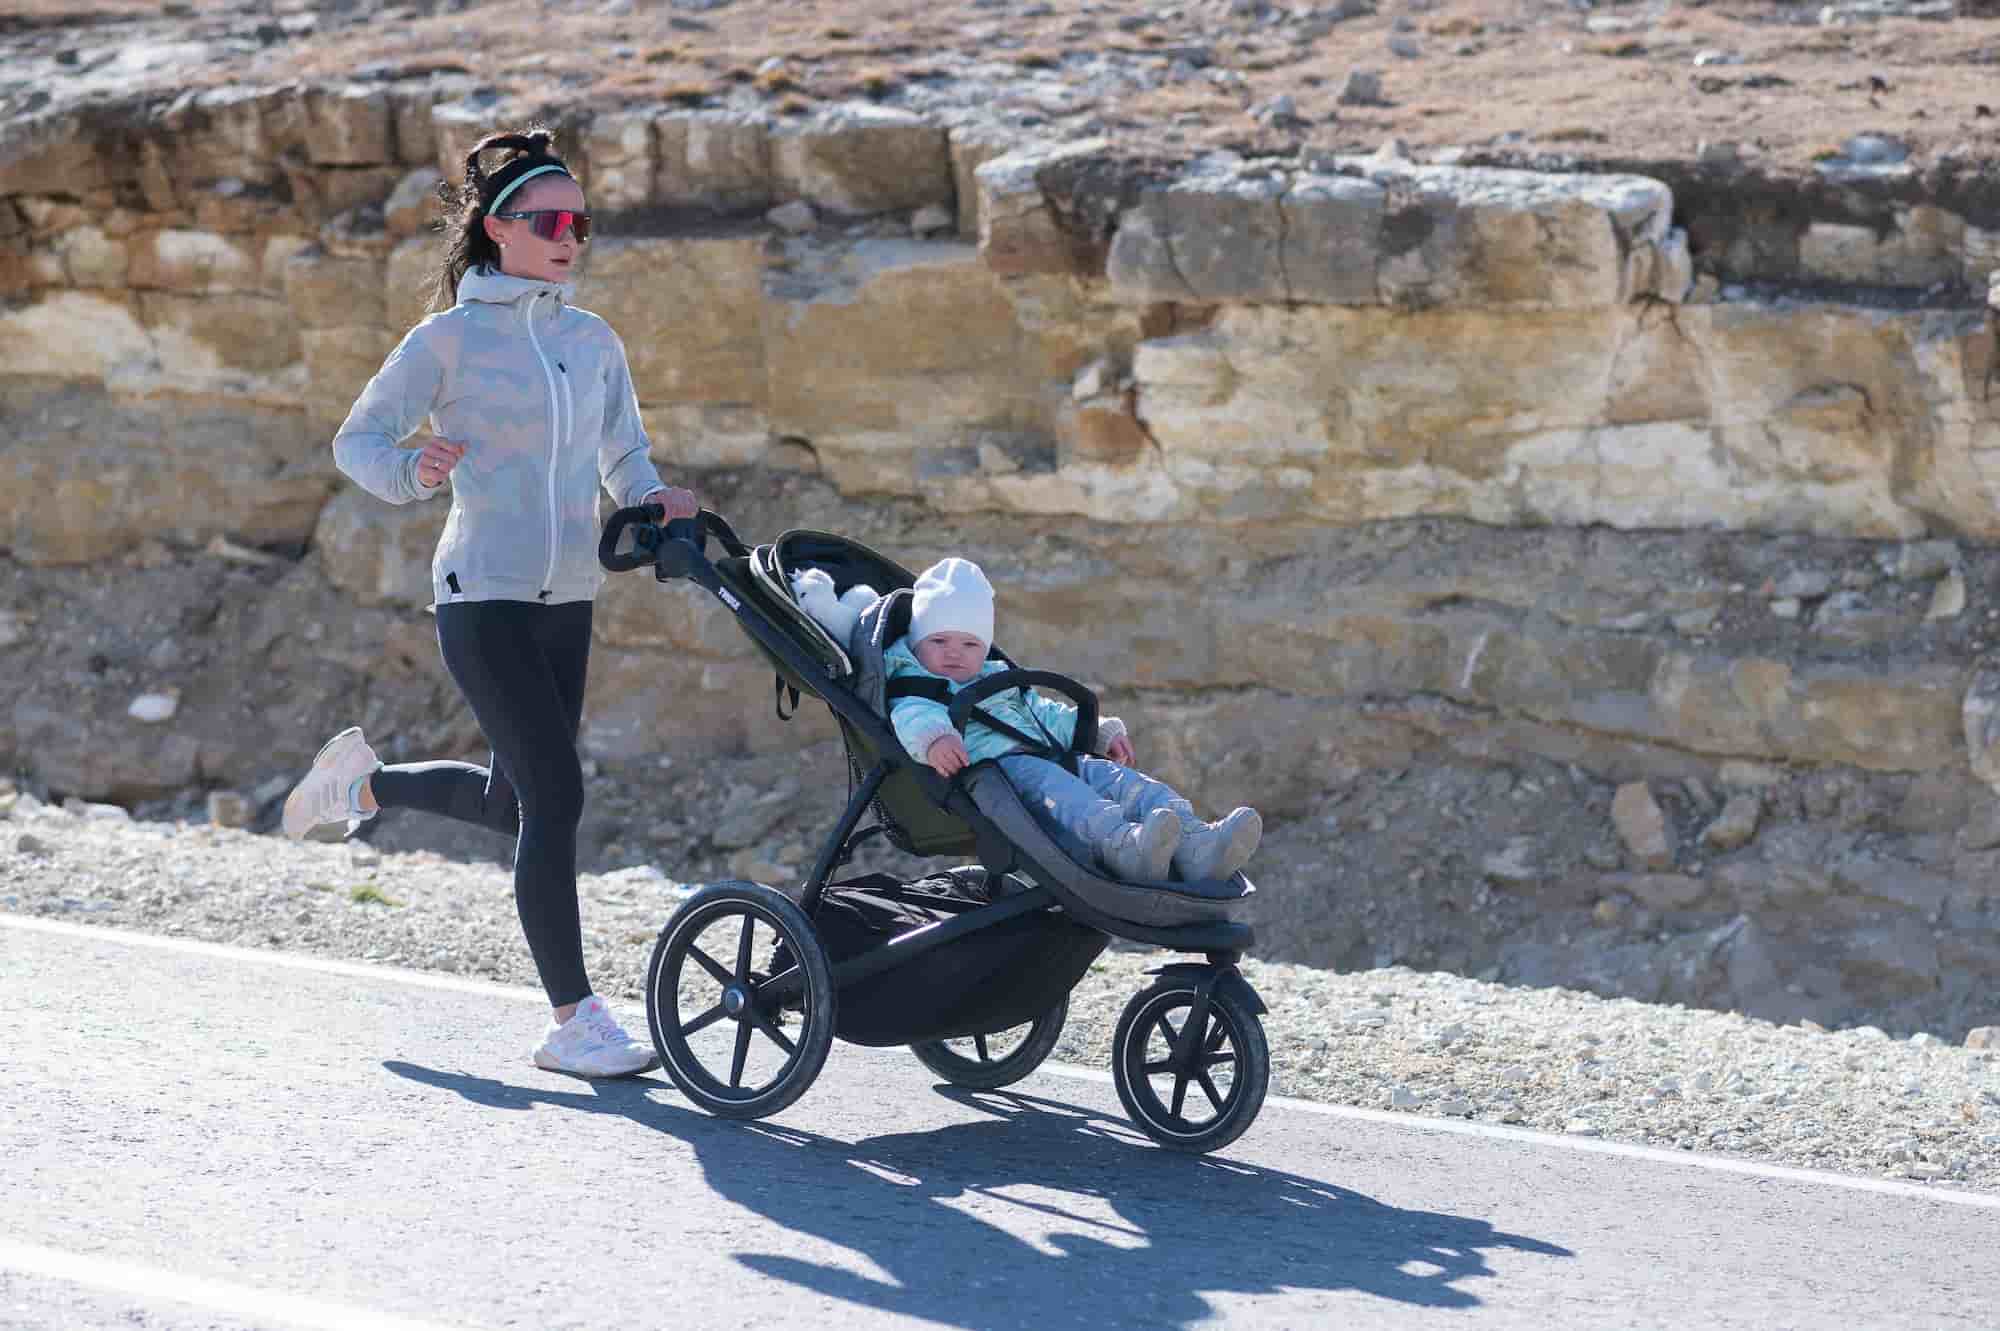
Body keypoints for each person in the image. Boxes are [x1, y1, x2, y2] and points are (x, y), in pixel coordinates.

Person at [278, 127, 699, 1079]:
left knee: (519, 800)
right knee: (558, 795)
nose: (570, 237)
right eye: (550, 221)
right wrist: (413, 468)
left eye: (581, 222)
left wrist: (653, 496)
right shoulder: (447, 340)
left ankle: (362, 786)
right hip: (482, 595)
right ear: (499, 229)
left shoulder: (592, 342)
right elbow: (359, 441)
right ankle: (573, 1019)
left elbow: (623, 456)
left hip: (569, 597)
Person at [885, 557, 1262, 883]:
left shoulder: (995, 678)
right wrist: (936, 739)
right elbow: (912, 716)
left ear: (984, 648)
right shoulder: (918, 685)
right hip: (1002, 774)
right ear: (917, 643)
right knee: (1073, 798)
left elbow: (1044, 715)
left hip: (1053, 756)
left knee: (1124, 781)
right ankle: (1125, 847)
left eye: (970, 645)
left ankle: (1196, 842)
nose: (954, 654)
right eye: (939, 642)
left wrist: (1096, 732)